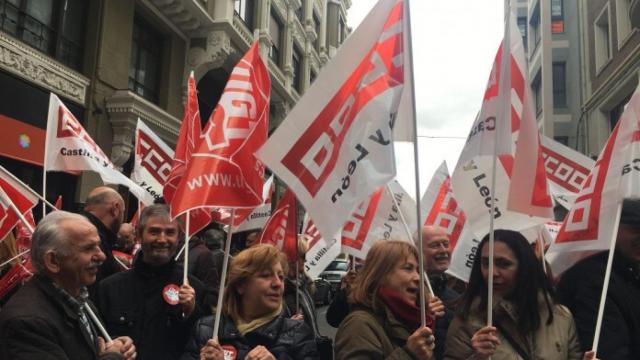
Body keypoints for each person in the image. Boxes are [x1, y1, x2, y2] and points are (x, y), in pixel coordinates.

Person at [0, 211, 136, 360]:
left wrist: (115, 344)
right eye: (88, 248)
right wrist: (113, 356)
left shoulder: (80, 299)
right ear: (53, 261)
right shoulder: (26, 322)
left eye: (98, 246)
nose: (102, 256)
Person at [444, 230, 589, 360]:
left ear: (524, 267)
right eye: (486, 263)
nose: (492, 273)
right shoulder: (467, 319)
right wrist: (478, 357)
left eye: (503, 264)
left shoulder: (560, 316)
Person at [97, 204, 209, 360]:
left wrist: (191, 312)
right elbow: (98, 339)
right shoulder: (109, 287)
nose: (162, 239)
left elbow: (200, 346)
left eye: (170, 232)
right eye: (154, 231)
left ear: (179, 238)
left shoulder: (195, 289)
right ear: (139, 235)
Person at [181, 244, 318, 360]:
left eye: (281, 277)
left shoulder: (298, 334)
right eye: (265, 275)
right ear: (241, 285)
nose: (277, 283)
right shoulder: (206, 330)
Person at [557, 199, 640, 359]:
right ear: (613, 227)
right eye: (637, 228)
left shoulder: (629, 273)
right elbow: (609, 350)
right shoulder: (592, 279)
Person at [335, 240, 435, 360]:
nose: (418, 277)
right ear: (381, 275)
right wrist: (409, 354)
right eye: (408, 268)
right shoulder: (359, 324)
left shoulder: (413, 319)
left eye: (418, 271)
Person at [421, 226, 460, 359]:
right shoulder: (407, 296)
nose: (443, 250)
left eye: (446, 244)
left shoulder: (456, 298)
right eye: (435, 245)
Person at [82, 187, 127, 291]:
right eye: (123, 212)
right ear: (115, 209)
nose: (101, 256)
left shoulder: (72, 227)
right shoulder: (94, 238)